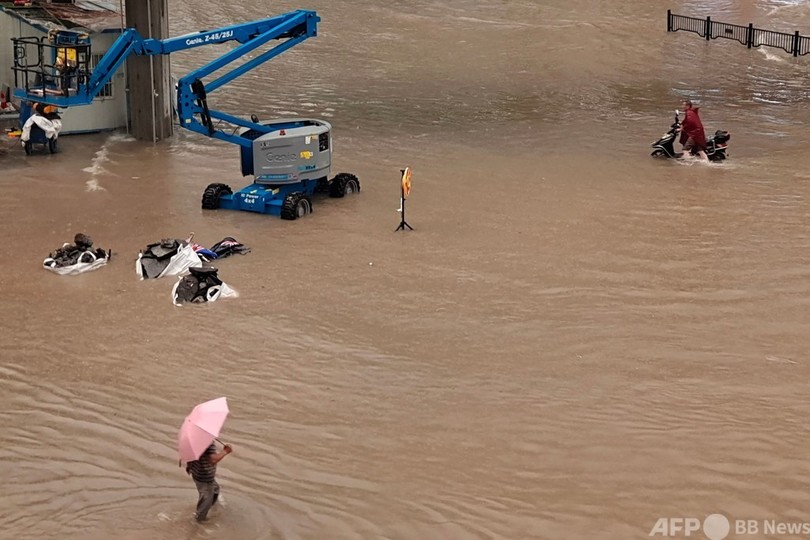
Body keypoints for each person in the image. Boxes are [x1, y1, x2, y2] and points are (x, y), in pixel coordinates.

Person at [186, 442, 233, 522]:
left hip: (197, 473)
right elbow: (213, 459)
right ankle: (199, 521)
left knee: (215, 489)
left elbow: (190, 453)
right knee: (206, 500)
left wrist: (189, 465)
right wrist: (225, 451)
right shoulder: (208, 442)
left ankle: (211, 506)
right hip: (205, 477)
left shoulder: (195, 440)